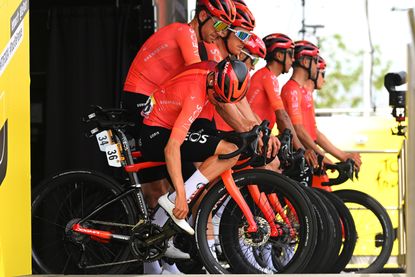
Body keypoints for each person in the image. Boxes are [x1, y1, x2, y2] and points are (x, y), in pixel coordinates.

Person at [121, 0, 236, 273]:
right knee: (156, 188)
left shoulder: (204, 43)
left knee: (170, 182)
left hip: (158, 103)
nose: (220, 33)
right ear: (204, 15)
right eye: (218, 24)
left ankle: (162, 242)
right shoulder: (185, 33)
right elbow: (202, 76)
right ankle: (155, 251)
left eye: (225, 29)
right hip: (140, 99)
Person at [139, 58, 250, 234]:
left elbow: (221, 106)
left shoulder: (211, 75)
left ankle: (156, 234)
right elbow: (172, 147)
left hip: (161, 127)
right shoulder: (195, 96)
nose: (220, 102)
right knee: (229, 150)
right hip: (156, 136)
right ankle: (175, 199)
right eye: (218, 97)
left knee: (227, 148)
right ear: (213, 81)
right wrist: (182, 196)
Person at [302, 55, 362, 171]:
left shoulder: (307, 95)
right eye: (322, 74)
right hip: (306, 154)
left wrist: (340, 155)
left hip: (310, 153)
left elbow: (314, 132)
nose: (324, 80)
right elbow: (300, 131)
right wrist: (336, 156)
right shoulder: (301, 93)